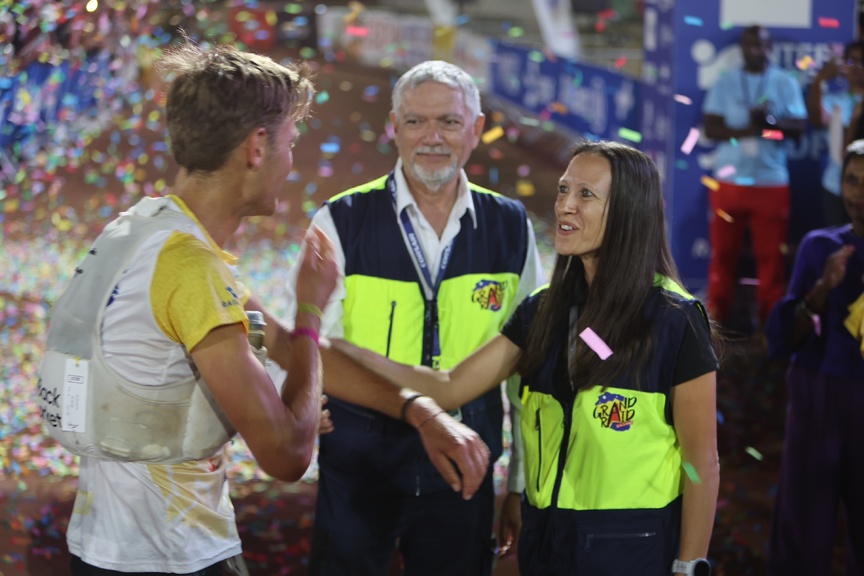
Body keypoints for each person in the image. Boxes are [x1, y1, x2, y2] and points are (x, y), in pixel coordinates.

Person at [39, 41, 490, 575]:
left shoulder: (143, 233)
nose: (292, 159)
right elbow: (287, 454)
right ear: (257, 147)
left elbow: (290, 350)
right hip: (174, 560)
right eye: (290, 141)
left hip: (101, 550)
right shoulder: (190, 269)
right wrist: (310, 306)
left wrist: (420, 411)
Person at [333, 140, 721, 576]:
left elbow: (700, 461)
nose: (564, 206)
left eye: (585, 195)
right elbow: (449, 386)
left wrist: (689, 566)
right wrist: (341, 352)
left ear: (630, 212)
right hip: (547, 548)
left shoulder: (675, 321)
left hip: (633, 553)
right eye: (562, 190)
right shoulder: (543, 310)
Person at [284, 59, 545, 575]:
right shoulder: (341, 219)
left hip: (464, 468)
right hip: (360, 467)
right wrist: (305, 400)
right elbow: (313, 343)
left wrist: (520, 484)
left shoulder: (511, 227)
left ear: (475, 130)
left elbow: (528, 371)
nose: (432, 137)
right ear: (393, 128)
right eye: (415, 121)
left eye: (448, 122)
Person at [764, 139, 864, 576]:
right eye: (852, 180)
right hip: (817, 397)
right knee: (803, 529)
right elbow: (784, 339)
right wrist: (823, 288)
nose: (858, 193)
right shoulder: (819, 246)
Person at [702, 25, 807, 327]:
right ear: (742, 47)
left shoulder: (785, 82)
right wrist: (753, 130)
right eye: (750, 44)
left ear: (769, 47)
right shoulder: (726, 83)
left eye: (761, 44)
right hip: (728, 183)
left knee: (771, 262)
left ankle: (770, 331)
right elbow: (711, 128)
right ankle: (714, 328)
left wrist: (770, 124)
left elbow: (799, 129)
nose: (755, 49)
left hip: (770, 183)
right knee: (722, 258)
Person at [806, 40, 864, 227]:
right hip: (836, 186)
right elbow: (816, 119)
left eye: (862, 62)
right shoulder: (836, 101)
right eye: (852, 61)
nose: (856, 67)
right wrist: (821, 78)